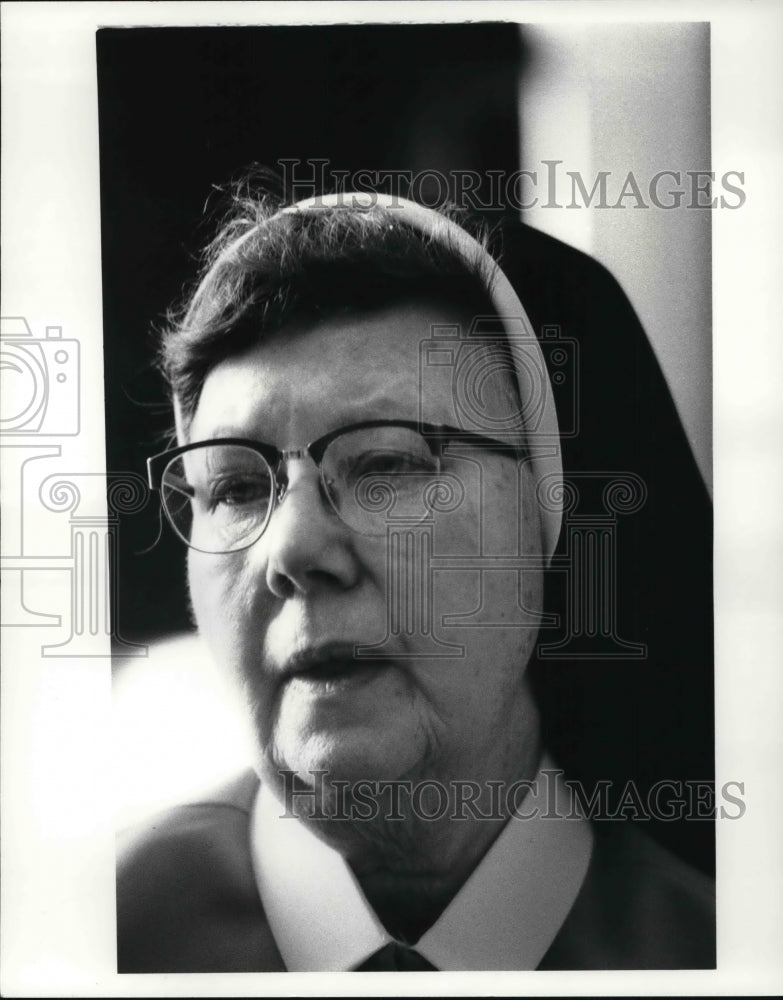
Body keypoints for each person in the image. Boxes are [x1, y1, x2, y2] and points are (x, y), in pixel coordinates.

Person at [117, 185, 715, 972]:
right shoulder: (101, 941)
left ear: (552, 523)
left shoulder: (720, 947)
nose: (292, 551)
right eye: (233, 488)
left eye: (385, 465)